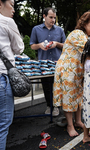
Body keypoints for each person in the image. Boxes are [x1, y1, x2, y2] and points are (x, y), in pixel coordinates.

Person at [30, 7, 66, 116]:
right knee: (46, 86)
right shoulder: (36, 29)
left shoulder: (60, 30)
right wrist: (39, 45)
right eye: (51, 17)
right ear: (44, 16)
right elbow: (32, 46)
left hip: (57, 63)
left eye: (54, 18)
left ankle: (56, 106)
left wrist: (56, 44)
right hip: (43, 64)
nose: (53, 20)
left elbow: (65, 46)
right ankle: (49, 105)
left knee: (57, 86)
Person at [0, 0, 24, 149]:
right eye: (11, 4)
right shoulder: (7, 22)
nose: (13, 9)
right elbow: (19, 48)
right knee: (3, 125)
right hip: (2, 78)